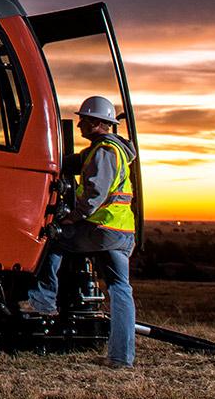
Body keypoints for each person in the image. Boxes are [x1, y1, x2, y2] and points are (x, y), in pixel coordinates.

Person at [18, 95, 138, 367]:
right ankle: (121, 357)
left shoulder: (104, 152)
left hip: (102, 229)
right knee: (120, 289)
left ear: (97, 122)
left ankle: (44, 301)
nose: (80, 124)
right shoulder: (108, 150)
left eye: (83, 119)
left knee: (55, 240)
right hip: (120, 231)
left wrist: (72, 218)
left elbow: (95, 194)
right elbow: (70, 163)